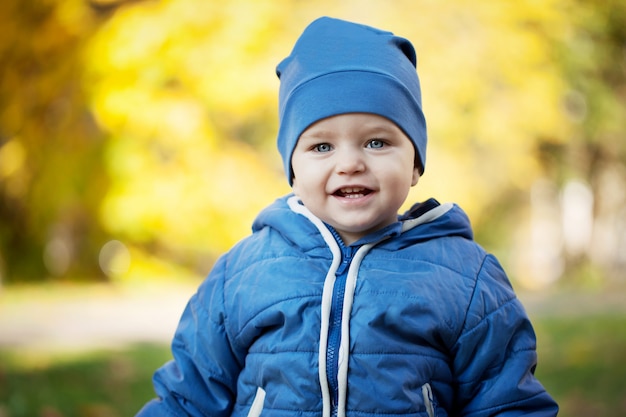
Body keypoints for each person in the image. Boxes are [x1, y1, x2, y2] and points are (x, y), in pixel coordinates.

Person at [136, 16, 558, 417]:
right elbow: (188, 398)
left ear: (415, 164)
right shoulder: (243, 274)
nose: (350, 163)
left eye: (377, 142)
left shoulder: (466, 280)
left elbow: (507, 404)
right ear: (293, 170)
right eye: (322, 147)